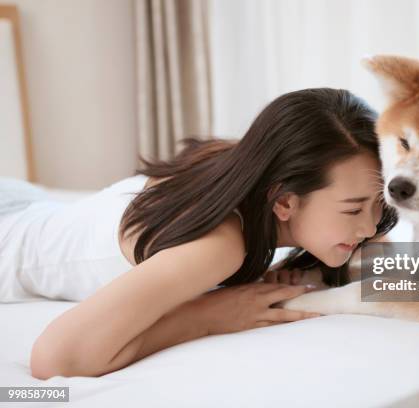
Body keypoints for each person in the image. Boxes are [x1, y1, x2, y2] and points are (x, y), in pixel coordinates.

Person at [0, 88, 397, 378]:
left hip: (26, 204)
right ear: (284, 201)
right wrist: (206, 317)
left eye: (378, 203)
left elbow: (395, 258)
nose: (368, 225)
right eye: (353, 209)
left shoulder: (245, 166)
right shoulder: (217, 248)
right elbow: (54, 359)